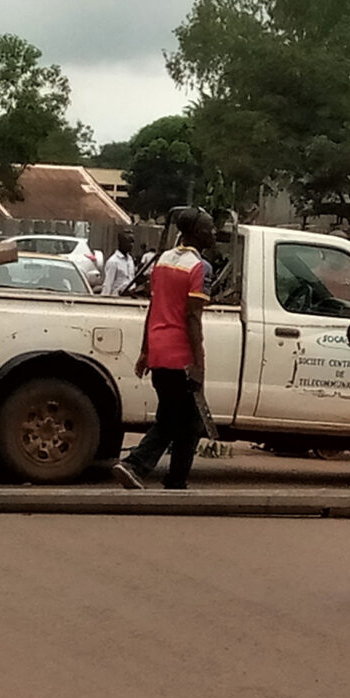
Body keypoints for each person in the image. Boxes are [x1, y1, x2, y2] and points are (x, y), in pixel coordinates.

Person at [109, 209, 214, 491]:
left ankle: (177, 482)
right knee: (174, 419)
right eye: (209, 229)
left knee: (187, 421)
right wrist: (198, 362)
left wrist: (145, 351)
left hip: (158, 349)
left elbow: (154, 308)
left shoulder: (163, 260)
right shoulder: (199, 267)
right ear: (194, 233)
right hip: (180, 354)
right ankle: (135, 464)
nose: (214, 233)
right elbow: (192, 317)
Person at [101, 228, 138, 297]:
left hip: (130, 298)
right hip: (117, 299)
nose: (131, 245)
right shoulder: (113, 261)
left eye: (133, 242)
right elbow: (108, 284)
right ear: (121, 242)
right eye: (129, 242)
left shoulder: (130, 260)